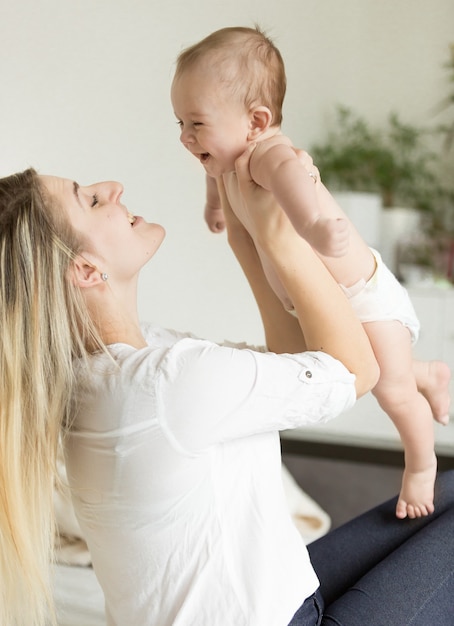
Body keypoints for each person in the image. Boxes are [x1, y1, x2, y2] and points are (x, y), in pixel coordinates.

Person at [0, 151, 452, 626]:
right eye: (91, 201)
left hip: (288, 602)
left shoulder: (110, 370)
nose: (112, 186)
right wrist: (279, 232)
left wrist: (246, 235)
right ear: (87, 271)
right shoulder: (161, 383)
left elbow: (290, 362)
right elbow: (353, 370)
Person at [171, 25, 452, 521]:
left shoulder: (268, 154)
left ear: (257, 120)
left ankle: (422, 463)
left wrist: (316, 227)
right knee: (341, 367)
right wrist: (215, 205)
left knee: (390, 388)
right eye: (180, 123)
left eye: (195, 123)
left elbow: (292, 181)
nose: (185, 137)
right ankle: (427, 372)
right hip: (317, 300)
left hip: (361, 295)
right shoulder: (227, 158)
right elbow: (214, 178)